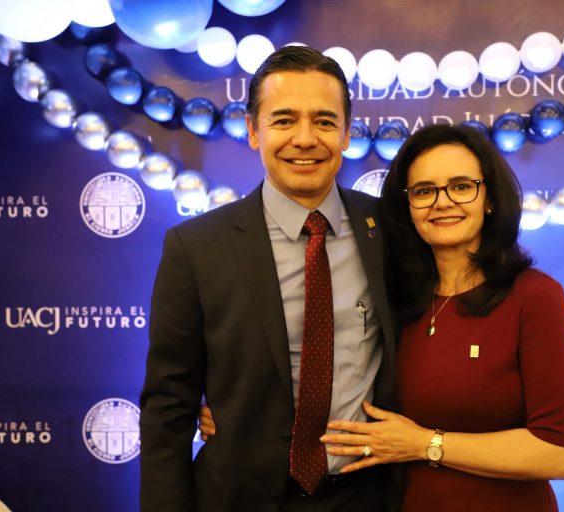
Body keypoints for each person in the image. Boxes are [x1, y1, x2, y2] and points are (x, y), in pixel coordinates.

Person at [203, 124, 564, 510]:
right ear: (407, 208)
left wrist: (425, 444)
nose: (442, 202)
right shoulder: (393, 297)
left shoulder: (534, 297)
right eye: (423, 191)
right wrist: (236, 411)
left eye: (461, 186)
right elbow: (328, 376)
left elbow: (563, 454)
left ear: (489, 198)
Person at [139, 45, 398, 512]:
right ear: (253, 131)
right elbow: (167, 406)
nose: (305, 139)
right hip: (237, 498)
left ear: (347, 133)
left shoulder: (392, 232)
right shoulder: (195, 247)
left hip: (366, 497)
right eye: (283, 120)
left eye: (324, 121)